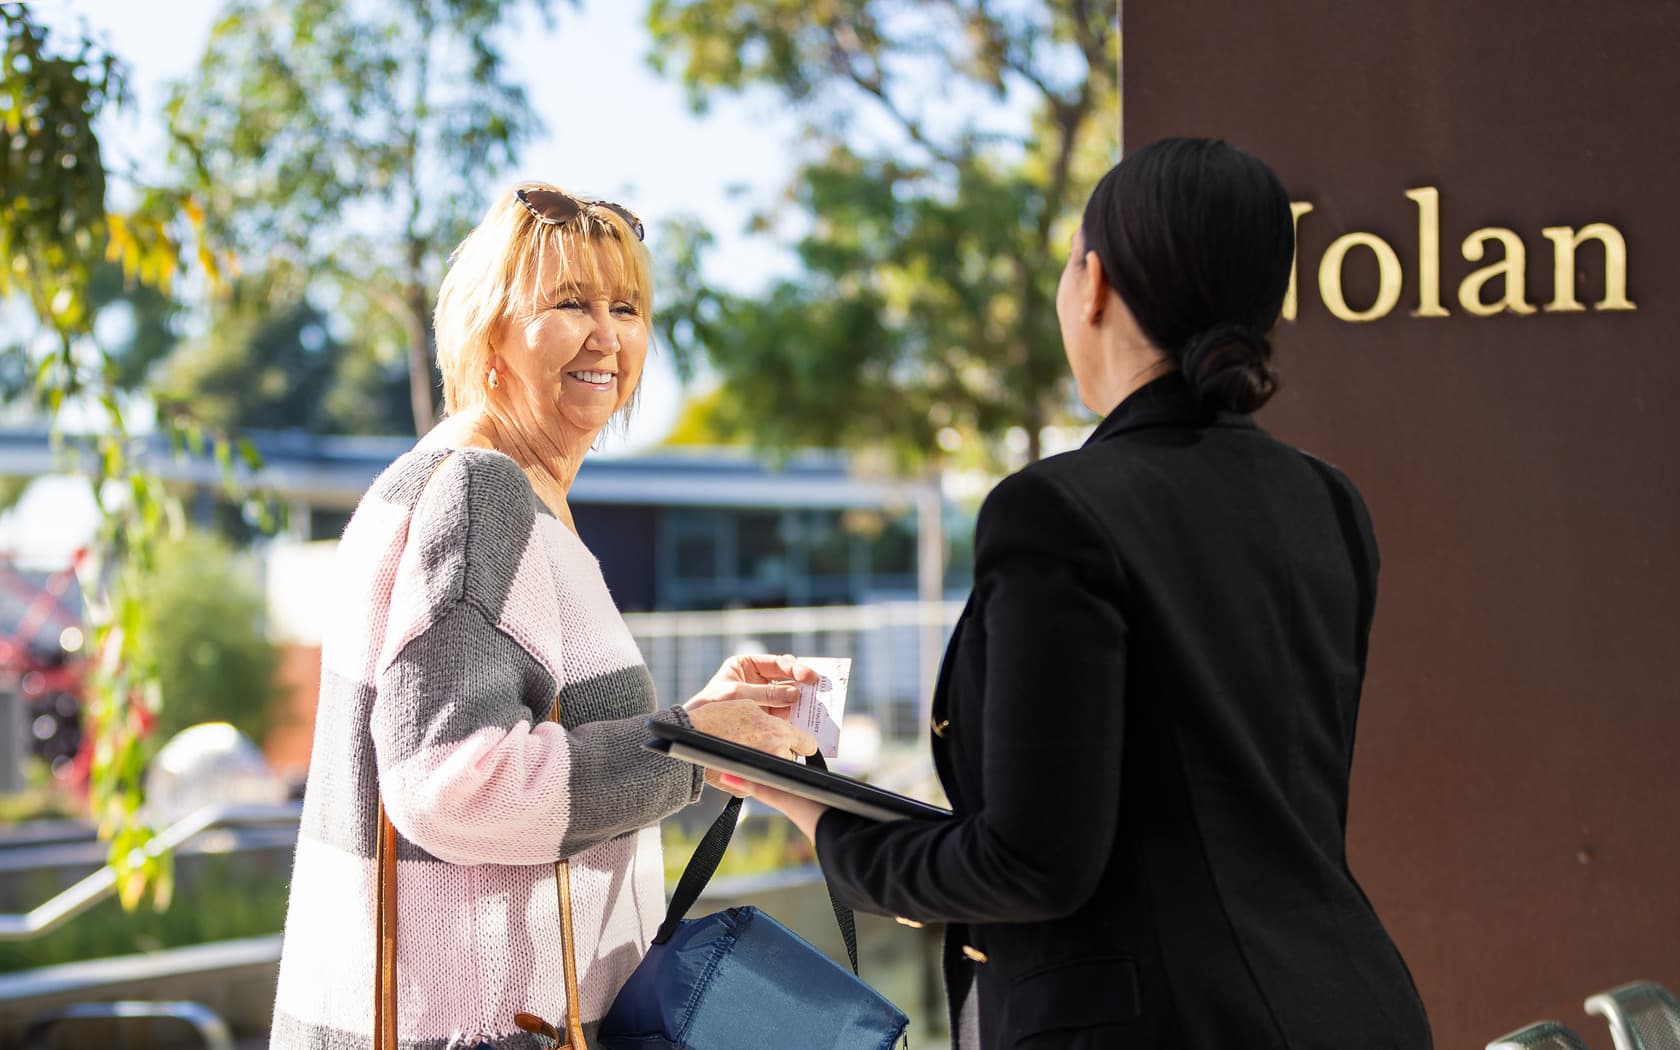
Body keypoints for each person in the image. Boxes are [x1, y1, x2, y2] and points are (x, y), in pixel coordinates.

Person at [723, 138, 1433, 1049]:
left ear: (1092, 283)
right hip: (1355, 1004)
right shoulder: (1328, 501)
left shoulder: (1056, 510)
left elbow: (1031, 863)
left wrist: (821, 821)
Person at [270, 184, 817, 1050]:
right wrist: (690, 748)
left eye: (627, 306)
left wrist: (705, 722)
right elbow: (450, 783)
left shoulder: (493, 490)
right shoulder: (480, 492)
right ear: (490, 331)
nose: (609, 334)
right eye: (570, 303)